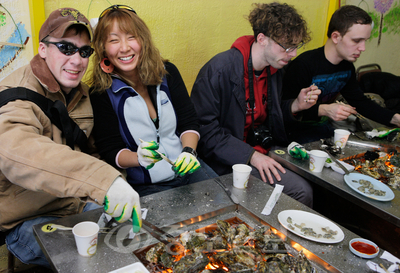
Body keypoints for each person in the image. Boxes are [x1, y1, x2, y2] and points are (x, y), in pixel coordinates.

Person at [0, 8, 141, 268]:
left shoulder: (81, 94)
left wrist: (117, 184)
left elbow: (94, 152)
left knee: (135, 244)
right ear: (42, 49)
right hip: (28, 219)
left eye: (84, 51)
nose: (77, 60)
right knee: (94, 261)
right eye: (66, 48)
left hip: (76, 206)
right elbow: (19, 154)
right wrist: (105, 182)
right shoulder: (16, 96)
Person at [191, 3, 318, 207]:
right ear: (261, 39)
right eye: (286, 46)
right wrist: (251, 156)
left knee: (315, 178)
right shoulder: (219, 70)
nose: (292, 54)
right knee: (302, 191)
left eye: (296, 46)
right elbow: (205, 132)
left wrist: (296, 105)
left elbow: (267, 115)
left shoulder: (274, 68)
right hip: (228, 159)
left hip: (260, 150)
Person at [89, 5, 217, 197]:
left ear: (143, 40)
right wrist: (138, 158)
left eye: (131, 37)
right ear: (103, 49)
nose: (125, 47)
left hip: (189, 171)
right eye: (114, 40)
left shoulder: (168, 72)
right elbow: (111, 151)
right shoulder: (100, 93)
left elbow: (189, 122)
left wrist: (189, 152)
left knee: (224, 207)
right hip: (146, 185)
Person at [282, 5, 400, 144]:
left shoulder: (347, 66)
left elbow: (360, 102)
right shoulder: (304, 64)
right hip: (291, 134)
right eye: (356, 41)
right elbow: (284, 109)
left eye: (365, 41)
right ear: (336, 37)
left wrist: (395, 118)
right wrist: (324, 110)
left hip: (321, 129)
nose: (362, 48)